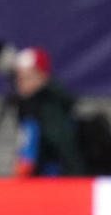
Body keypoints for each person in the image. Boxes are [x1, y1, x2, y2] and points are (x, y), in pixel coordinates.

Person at [13, 46, 85, 176]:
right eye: (18, 78)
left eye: (27, 77)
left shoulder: (44, 109)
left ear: (42, 78)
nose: (20, 83)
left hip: (52, 183)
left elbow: (27, 158)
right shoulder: (48, 103)